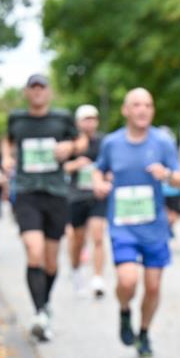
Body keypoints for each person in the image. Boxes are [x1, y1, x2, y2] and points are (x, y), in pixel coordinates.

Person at [92, 88, 180, 357]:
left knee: (153, 286)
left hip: (154, 227)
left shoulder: (162, 142)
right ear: (126, 110)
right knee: (127, 281)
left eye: (148, 105)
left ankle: (145, 333)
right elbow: (98, 169)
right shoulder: (112, 143)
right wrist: (98, 184)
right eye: (136, 105)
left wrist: (167, 174)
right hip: (123, 225)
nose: (143, 110)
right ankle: (125, 311)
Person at [2, 74, 86, 342]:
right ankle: (39, 312)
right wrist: (6, 157)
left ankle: (45, 303)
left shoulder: (62, 119)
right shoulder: (17, 119)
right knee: (33, 251)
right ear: (27, 92)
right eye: (33, 88)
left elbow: (82, 142)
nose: (38, 92)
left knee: (51, 261)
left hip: (56, 194)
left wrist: (70, 146)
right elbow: (8, 140)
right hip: (27, 192)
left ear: (49, 92)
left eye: (42, 88)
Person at [64, 104, 108, 298]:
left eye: (93, 119)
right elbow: (60, 167)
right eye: (86, 119)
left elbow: (110, 166)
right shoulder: (71, 143)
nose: (90, 123)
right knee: (78, 240)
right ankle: (76, 270)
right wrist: (76, 164)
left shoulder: (104, 143)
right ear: (78, 122)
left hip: (97, 195)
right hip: (76, 196)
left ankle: (97, 278)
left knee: (98, 236)